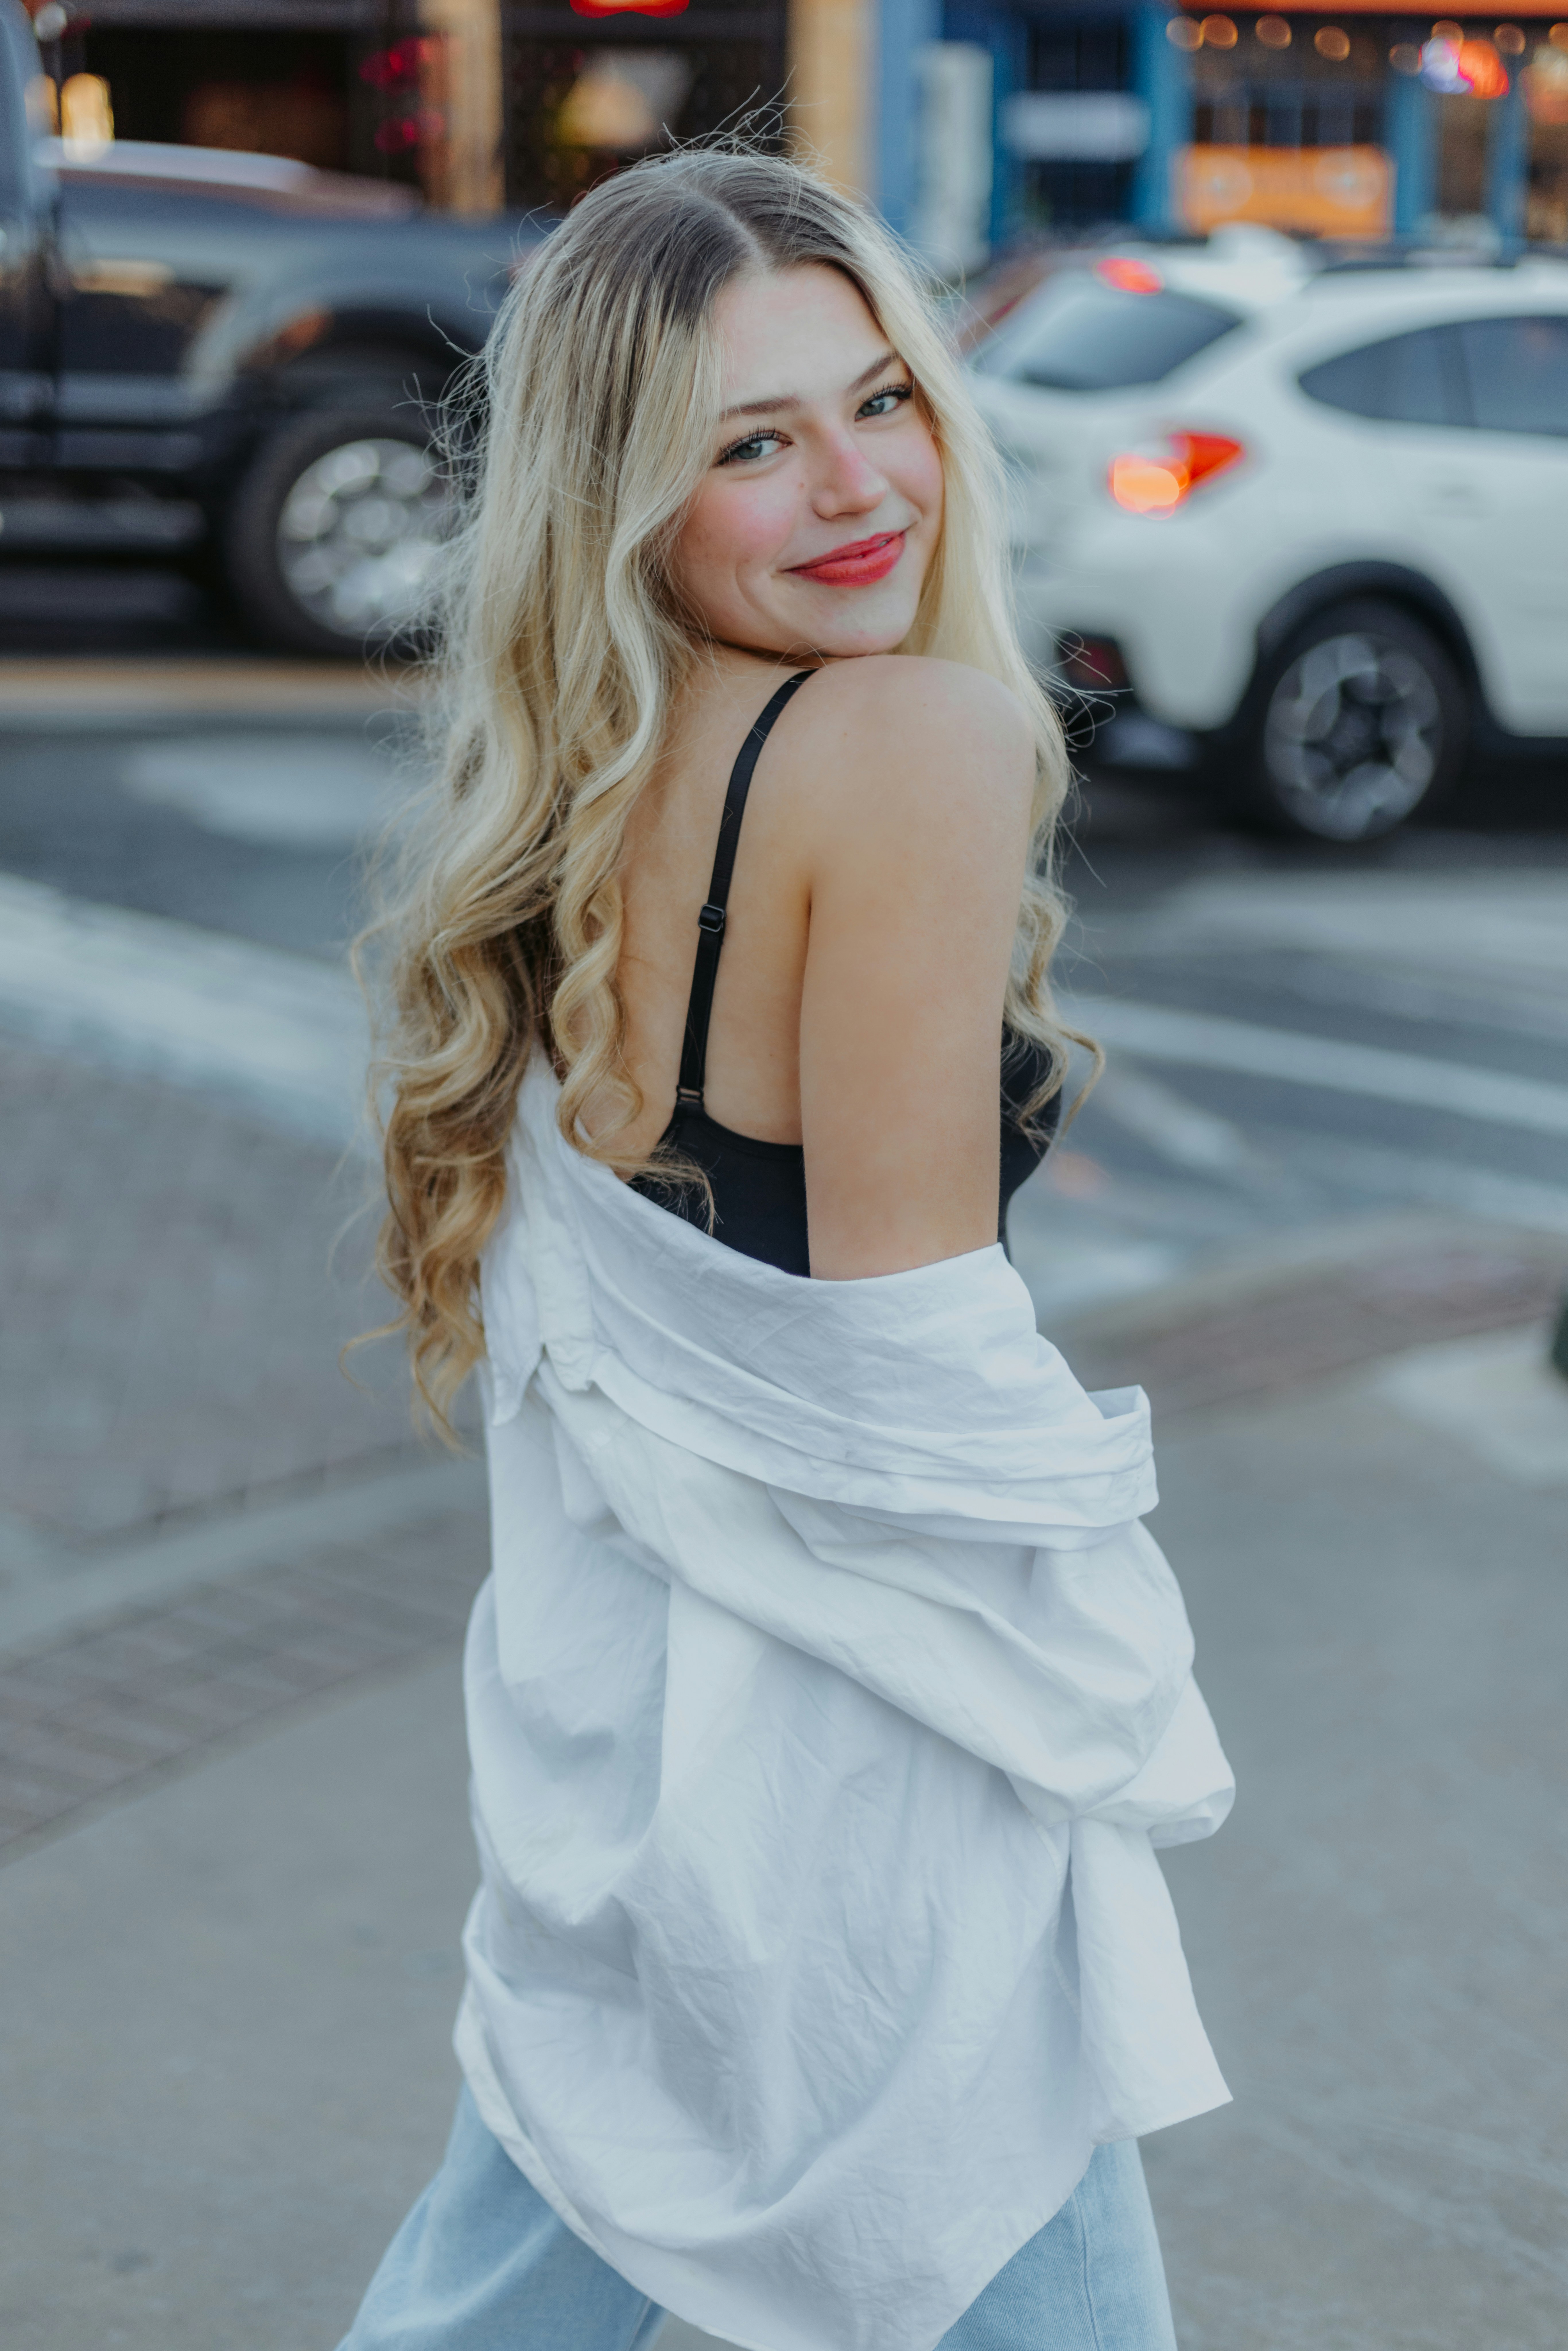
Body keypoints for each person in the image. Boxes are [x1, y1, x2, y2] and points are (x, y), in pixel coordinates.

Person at [343, 148, 1234, 2351]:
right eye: (753, 442)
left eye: (883, 401)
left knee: (516, 2271)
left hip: (648, 1754)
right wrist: (1108, 1666)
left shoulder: (584, 787)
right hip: (860, 1785)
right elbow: (914, 1386)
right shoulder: (917, 736)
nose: (858, 486)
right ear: (625, 495)